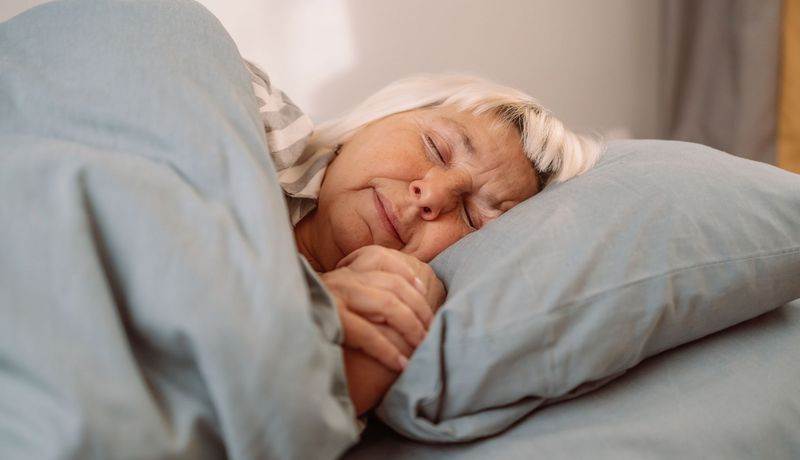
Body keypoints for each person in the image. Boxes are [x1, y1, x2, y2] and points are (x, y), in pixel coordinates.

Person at [247, 66, 603, 415]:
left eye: (471, 216)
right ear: (382, 117)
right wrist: (289, 301)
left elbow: (277, 428)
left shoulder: (399, 300)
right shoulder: (253, 109)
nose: (432, 195)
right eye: (436, 147)